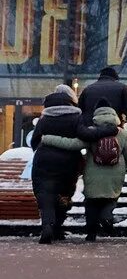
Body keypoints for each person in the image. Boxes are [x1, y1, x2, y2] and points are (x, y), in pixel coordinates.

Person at [39, 98, 127, 242]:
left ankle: (91, 233)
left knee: (91, 203)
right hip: (115, 175)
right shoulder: (122, 133)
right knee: (110, 199)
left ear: (96, 114)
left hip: (93, 173)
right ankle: (106, 216)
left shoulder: (92, 132)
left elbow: (72, 144)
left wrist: (48, 139)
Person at [29, 85, 85, 244]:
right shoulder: (77, 117)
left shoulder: (44, 118)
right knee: (64, 194)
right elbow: (83, 137)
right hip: (68, 162)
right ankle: (58, 227)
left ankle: (47, 225)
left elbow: (35, 141)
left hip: (44, 160)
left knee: (45, 194)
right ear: (71, 100)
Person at [79, 67, 127, 145]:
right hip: (113, 132)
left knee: (92, 155)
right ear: (115, 77)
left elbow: (80, 112)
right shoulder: (122, 88)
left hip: (92, 132)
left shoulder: (88, 89)